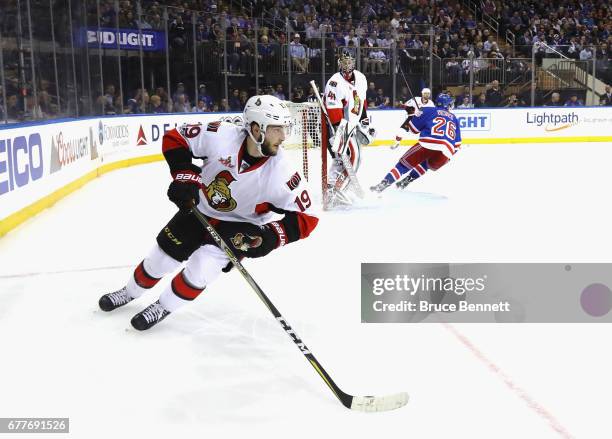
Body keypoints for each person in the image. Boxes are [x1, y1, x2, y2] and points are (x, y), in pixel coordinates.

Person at [98, 95, 319, 330]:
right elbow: (176, 138)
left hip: (239, 227)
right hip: (199, 208)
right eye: (276, 129)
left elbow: (309, 217)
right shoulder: (221, 135)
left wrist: (270, 237)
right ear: (256, 128)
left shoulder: (283, 173)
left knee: (201, 270)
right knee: (158, 261)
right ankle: (129, 292)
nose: (283, 137)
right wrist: (184, 174)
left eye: (285, 129)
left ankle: (163, 306)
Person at [370, 93, 462, 193]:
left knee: (403, 165)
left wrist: (416, 115)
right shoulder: (454, 119)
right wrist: (446, 157)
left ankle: (382, 185)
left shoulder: (428, 110)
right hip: (446, 153)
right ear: (447, 105)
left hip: (427, 144)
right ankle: (407, 180)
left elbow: (413, 129)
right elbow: (457, 145)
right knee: (426, 162)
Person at [323, 50, 374, 205]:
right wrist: (338, 134)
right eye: (344, 62)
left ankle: (332, 187)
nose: (347, 65)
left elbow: (361, 101)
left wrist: (364, 121)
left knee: (341, 160)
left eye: (350, 61)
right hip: (337, 125)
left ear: (354, 62)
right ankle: (338, 188)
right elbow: (333, 111)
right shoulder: (334, 82)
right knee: (354, 157)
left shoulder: (361, 78)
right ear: (339, 63)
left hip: (352, 123)